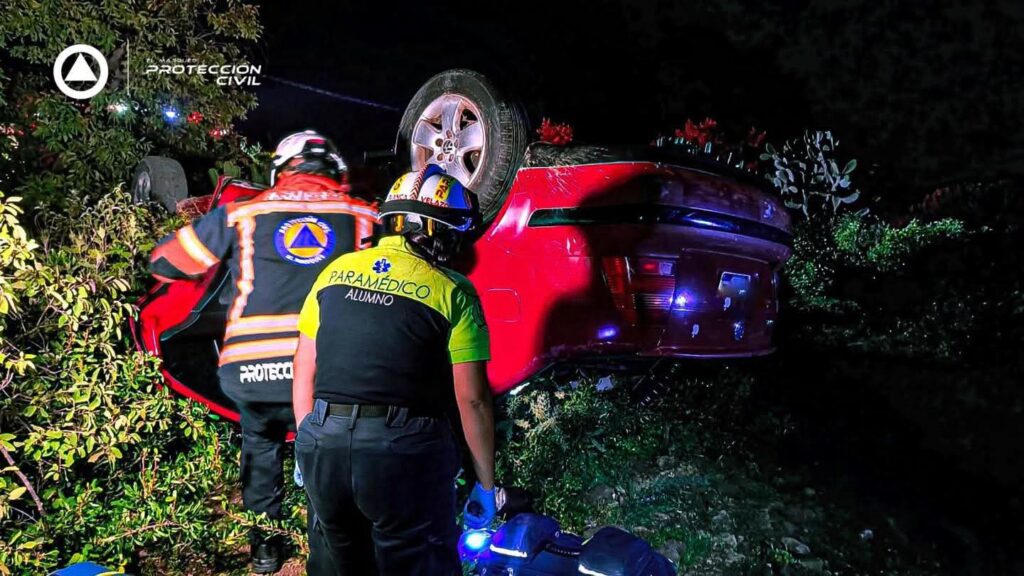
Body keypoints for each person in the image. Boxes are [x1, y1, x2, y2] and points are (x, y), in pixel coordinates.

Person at [148, 130, 377, 574]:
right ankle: (327, 550)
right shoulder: (363, 217)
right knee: (326, 453)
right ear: (334, 169)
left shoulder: (243, 213)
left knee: (260, 446)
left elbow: (165, 262)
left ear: (280, 170)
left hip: (250, 371)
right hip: (326, 373)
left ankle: (265, 551)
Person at [292, 164, 497, 575]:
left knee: (337, 564)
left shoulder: (334, 272)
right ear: (440, 233)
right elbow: (471, 399)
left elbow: (303, 368)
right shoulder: (453, 290)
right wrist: (486, 486)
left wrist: (307, 444)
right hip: (401, 451)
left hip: (321, 440)